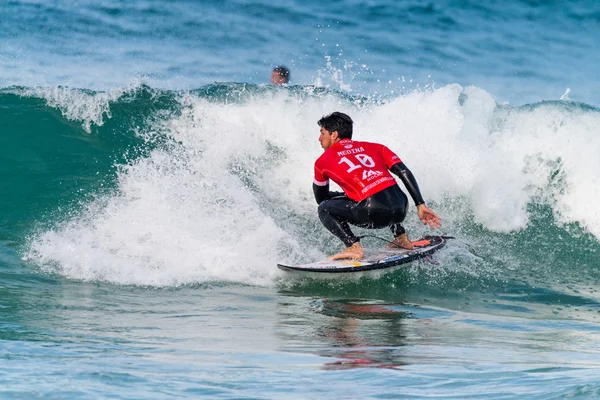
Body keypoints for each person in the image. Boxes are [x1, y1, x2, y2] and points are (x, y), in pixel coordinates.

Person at [313, 112, 441, 260]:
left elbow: (321, 199)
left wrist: (341, 196)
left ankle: (353, 246)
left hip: (373, 212)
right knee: (380, 188)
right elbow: (403, 171)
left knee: (324, 208)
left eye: (322, 133)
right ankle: (402, 238)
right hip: (401, 207)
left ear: (334, 134)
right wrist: (420, 204)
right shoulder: (377, 147)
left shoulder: (322, 161)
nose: (319, 138)